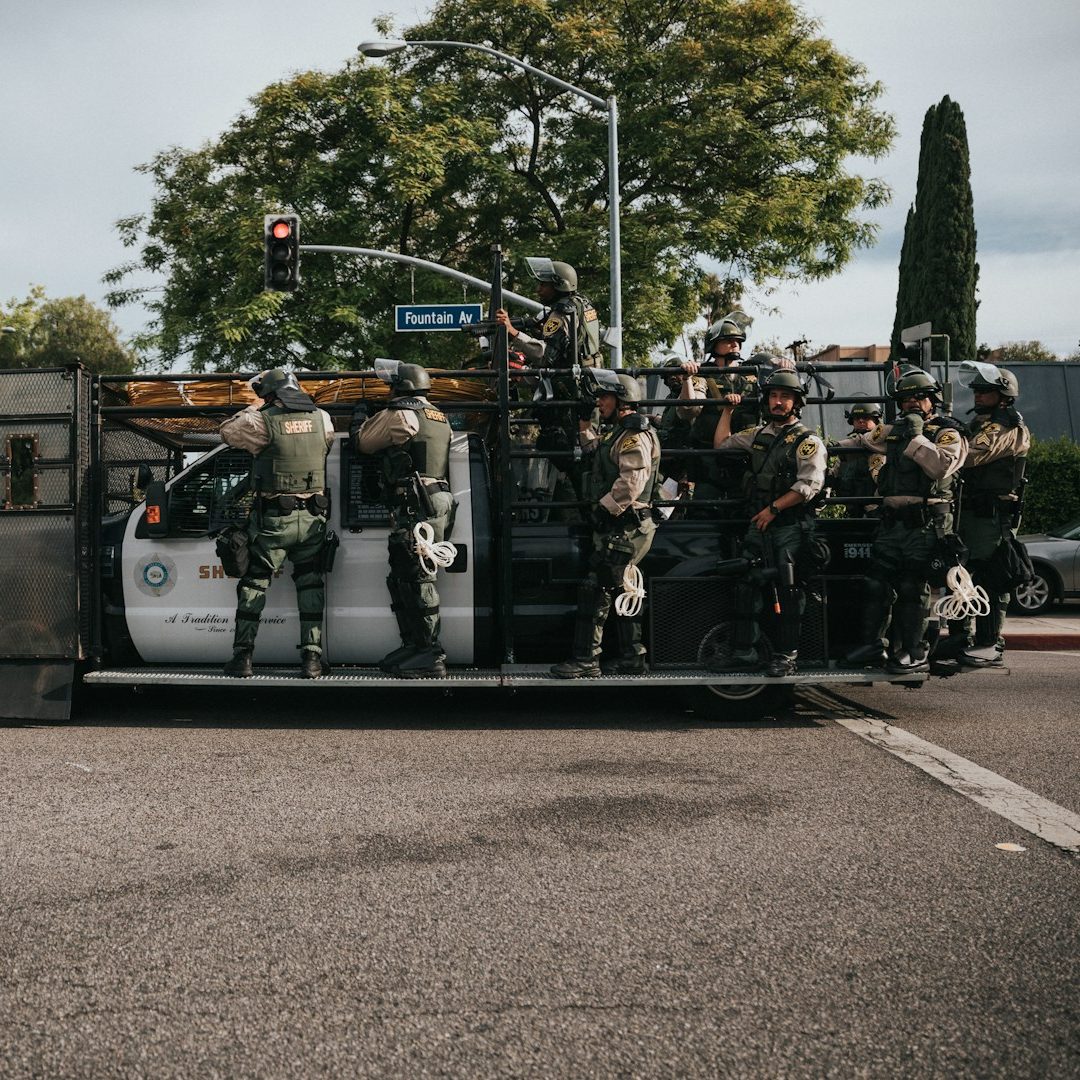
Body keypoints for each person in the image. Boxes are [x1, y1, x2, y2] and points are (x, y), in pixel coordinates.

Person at [842, 368, 968, 673]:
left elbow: (940, 467)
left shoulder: (946, 433)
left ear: (932, 400)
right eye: (906, 398)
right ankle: (874, 645)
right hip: (891, 523)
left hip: (924, 524)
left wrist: (915, 436)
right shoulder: (893, 431)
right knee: (875, 583)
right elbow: (861, 441)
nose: (912, 403)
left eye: (919, 397)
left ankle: (915, 650)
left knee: (913, 587)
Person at [711, 366, 828, 677]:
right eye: (774, 396)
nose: (778, 402)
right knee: (746, 582)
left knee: (789, 589)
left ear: (796, 403)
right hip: (760, 522)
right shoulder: (759, 435)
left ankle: (786, 655)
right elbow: (722, 444)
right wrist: (727, 410)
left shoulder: (807, 442)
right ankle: (744, 652)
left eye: (785, 397)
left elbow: (809, 485)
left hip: (789, 524)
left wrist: (773, 509)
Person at [220, 367, 335, 679]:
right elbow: (326, 446)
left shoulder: (260, 419)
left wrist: (259, 406)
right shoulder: (322, 417)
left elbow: (227, 432)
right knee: (310, 582)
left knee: (254, 583)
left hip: (274, 522)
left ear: (268, 393)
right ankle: (312, 660)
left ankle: (242, 658)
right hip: (314, 517)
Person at [551, 371, 661, 678]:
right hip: (618, 525)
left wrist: (604, 508)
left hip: (626, 525)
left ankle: (587, 659)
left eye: (605, 397)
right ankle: (631, 657)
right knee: (621, 588)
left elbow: (632, 480)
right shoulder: (618, 434)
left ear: (622, 399)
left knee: (596, 587)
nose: (600, 402)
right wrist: (584, 424)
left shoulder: (634, 435)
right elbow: (595, 451)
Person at [351, 363, 455, 678]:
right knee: (403, 574)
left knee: (417, 574)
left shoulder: (402, 414)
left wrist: (360, 417)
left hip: (416, 503)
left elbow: (362, 442)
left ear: (402, 388)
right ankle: (415, 645)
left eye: (391, 387)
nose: (388, 392)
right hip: (433, 498)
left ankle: (430, 652)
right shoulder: (439, 416)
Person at [494, 258, 604, 515]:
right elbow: (542, 324)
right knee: (581, 451)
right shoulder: (580, 303)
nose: (538, 290)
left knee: (563, 446)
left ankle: (582, 509)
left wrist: (512, 332)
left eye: (544, 285)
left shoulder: (561, 312)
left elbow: (545, 355)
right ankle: (578, 502)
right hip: (587, 384)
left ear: (558, 285)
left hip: (572, 391)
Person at [940, 363, 1030, 666]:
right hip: (969, 514)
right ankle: (959, 638)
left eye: (985, 391)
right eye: (976, 390)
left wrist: (942, 439)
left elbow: (971, 455)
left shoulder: (1005, 425)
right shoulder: (981, 422)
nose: (977, 396)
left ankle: (990, 643)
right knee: (961, 575)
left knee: (993, 577)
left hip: (991, 518)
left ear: (1003, 394)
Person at [676, 312, 758, 516]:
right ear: (714, 346)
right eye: (728, 340)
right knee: (703, 513)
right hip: (709, 462)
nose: (735, 345)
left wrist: (784, 365)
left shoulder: (751, 375)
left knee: (745, 513)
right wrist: (687, 379)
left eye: (738, 341)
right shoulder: (703, 374)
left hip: (744, 460)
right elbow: (689, 410)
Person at [829, 398, 884, 517]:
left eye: (866, 417)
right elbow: (836, 473)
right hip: (853, 508)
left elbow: (864, 440)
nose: (860, 421)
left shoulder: (882, 439)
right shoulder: (848, 448)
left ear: (876, 420)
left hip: (876, 509)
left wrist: (835, 445)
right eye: (857, 418)